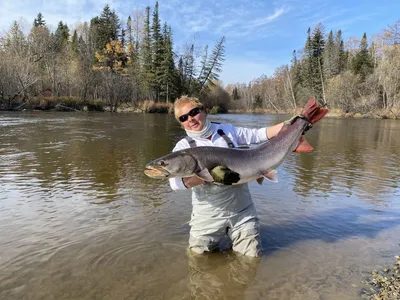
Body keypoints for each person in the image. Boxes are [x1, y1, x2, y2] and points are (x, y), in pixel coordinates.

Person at [169, 95, 285, 257]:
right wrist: (206, 175)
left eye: (194, 112)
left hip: (242, 212)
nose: (191, 119)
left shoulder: (227, 130)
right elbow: (175, 184)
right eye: (184, 118)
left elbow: (258, 135)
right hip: (207, 216)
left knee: (250, 261)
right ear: (181, 123)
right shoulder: (182, 147)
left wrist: (290, 125)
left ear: (203, 110)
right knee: (199, 262)